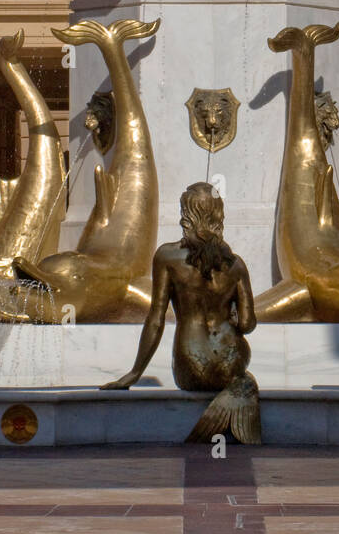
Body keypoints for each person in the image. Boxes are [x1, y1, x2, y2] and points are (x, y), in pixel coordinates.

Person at [101, 182, 260, 443]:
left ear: (187, 215)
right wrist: (231, 315)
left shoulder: (167, 257)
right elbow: (248, 324)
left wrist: (134, 373)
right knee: (245, 380)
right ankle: (235, 399)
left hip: (191, 368)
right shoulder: (236, 265)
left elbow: (156, 319)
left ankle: (214, 422)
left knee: (234, 380)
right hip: (232, 364)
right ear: (219, 215)